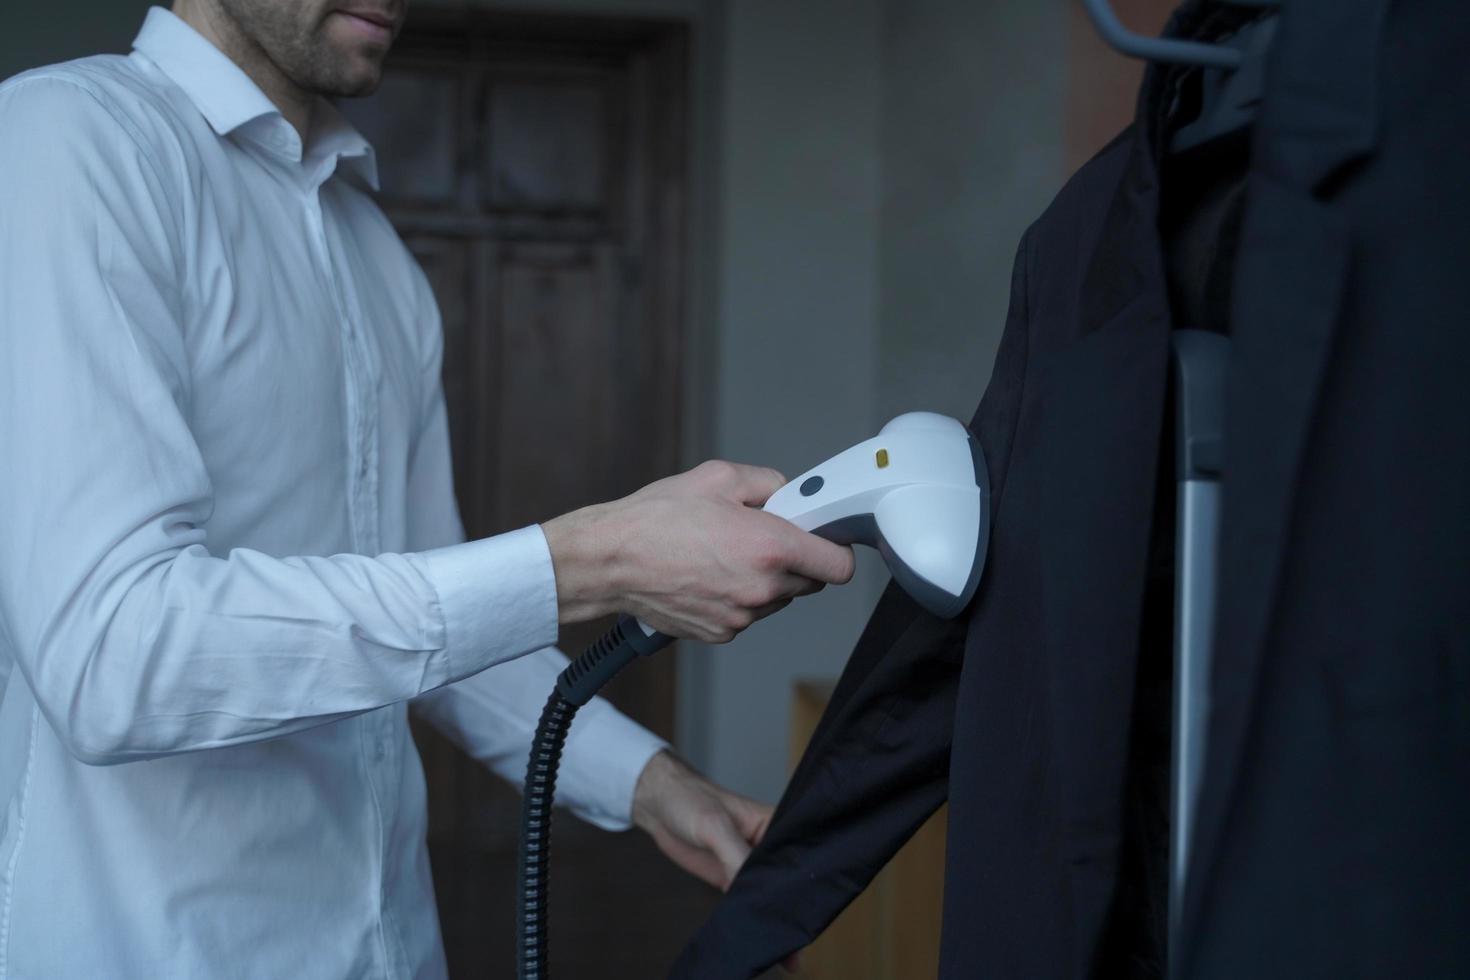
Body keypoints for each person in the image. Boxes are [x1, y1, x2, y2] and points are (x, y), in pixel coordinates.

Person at [0, 1, 856, 976]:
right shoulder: (72, 143)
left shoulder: (374, 254)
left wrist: (655, 786)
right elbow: (114, 655)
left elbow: (455, 635)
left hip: (388, 944)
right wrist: (600, 556)